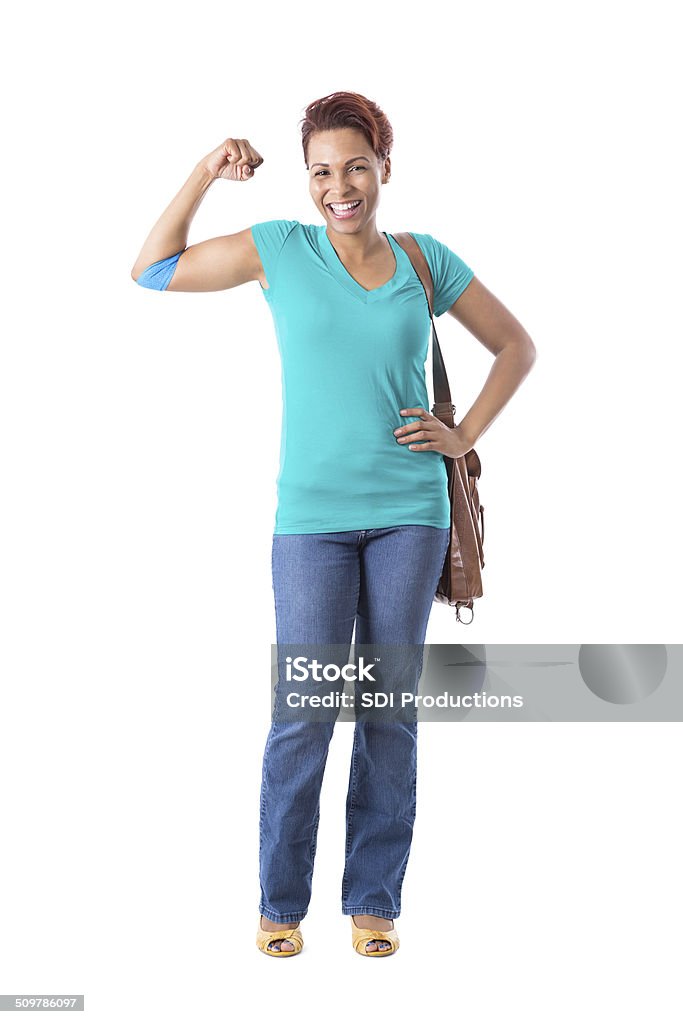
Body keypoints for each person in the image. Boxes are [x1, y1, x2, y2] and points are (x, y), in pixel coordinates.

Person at [131, 90, 536, 957]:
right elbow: (153, 269)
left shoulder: (425, 262)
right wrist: (207, 169)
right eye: (321, 170)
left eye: (355, 165)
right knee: (304, 713)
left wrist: (462, 435)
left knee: (388, 713)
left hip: (409, 516)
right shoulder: (279, 248)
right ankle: (280, 905)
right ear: (307, 179)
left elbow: (516, 346)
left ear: (384, 168)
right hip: (308, 522)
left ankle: (373, 901)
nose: (338, 185)